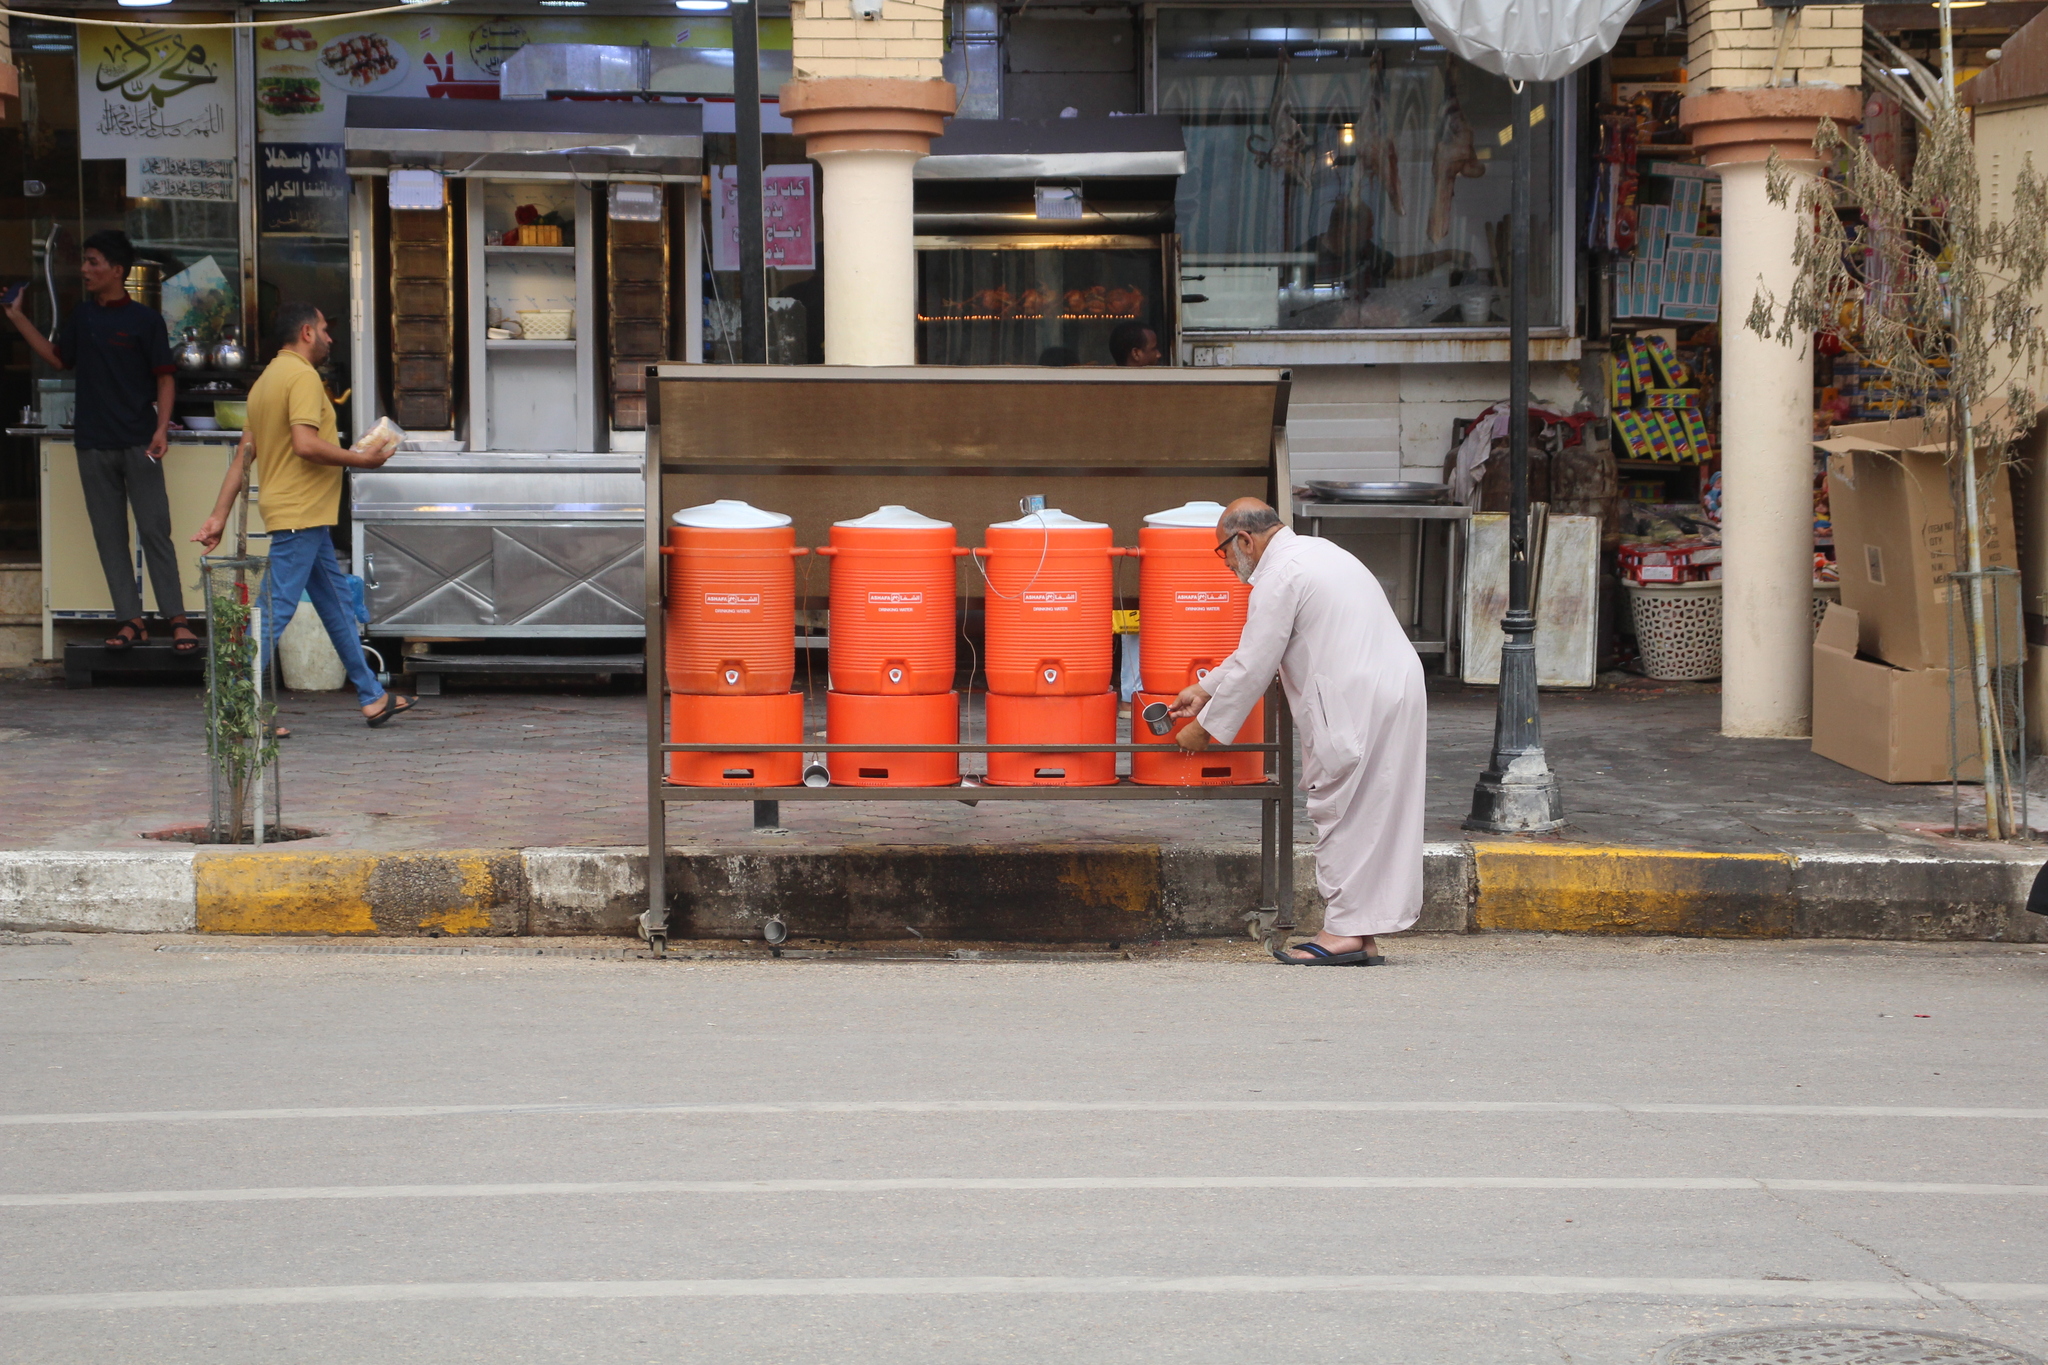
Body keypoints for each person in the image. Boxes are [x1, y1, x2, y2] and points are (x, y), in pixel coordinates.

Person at [1167, 498, 1426, 965]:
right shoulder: (1315, 552)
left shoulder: (1278, 577)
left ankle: (1342, 935)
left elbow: (1256, 663)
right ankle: (1358, 930)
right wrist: (1204, 689)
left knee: (1340, 808)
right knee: (1374, 810)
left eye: (1223, 553)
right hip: (1395, 686)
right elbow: (1258, 651)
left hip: (1355, 696)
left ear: (1244, 540)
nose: (1227, 565)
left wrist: (1203, 730)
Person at [194, 302, 415, 728]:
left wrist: (218, 515)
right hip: (300, 512)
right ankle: (236, 710)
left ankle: (371, 695)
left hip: (300, 513)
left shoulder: (265, 383)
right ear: (307, 333)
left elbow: (245, 455)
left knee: (335, 605)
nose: (331, 338)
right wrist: (359, 459)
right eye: (325, 328)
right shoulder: (302, 377)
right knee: (273, 610)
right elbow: (305, 444)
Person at [3, 229, 195, 654]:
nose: (85, 270)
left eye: (93, 262)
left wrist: (162, 428)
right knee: (109, 536)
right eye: (85, 262)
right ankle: (131, 620)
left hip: (140, 441)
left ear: (117, 271)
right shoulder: (83, 317)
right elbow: (57, 357)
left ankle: (176, 618)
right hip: (92, 442)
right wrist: (17, 317)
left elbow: (166, 379)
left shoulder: (145, 321)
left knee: (155, 530)